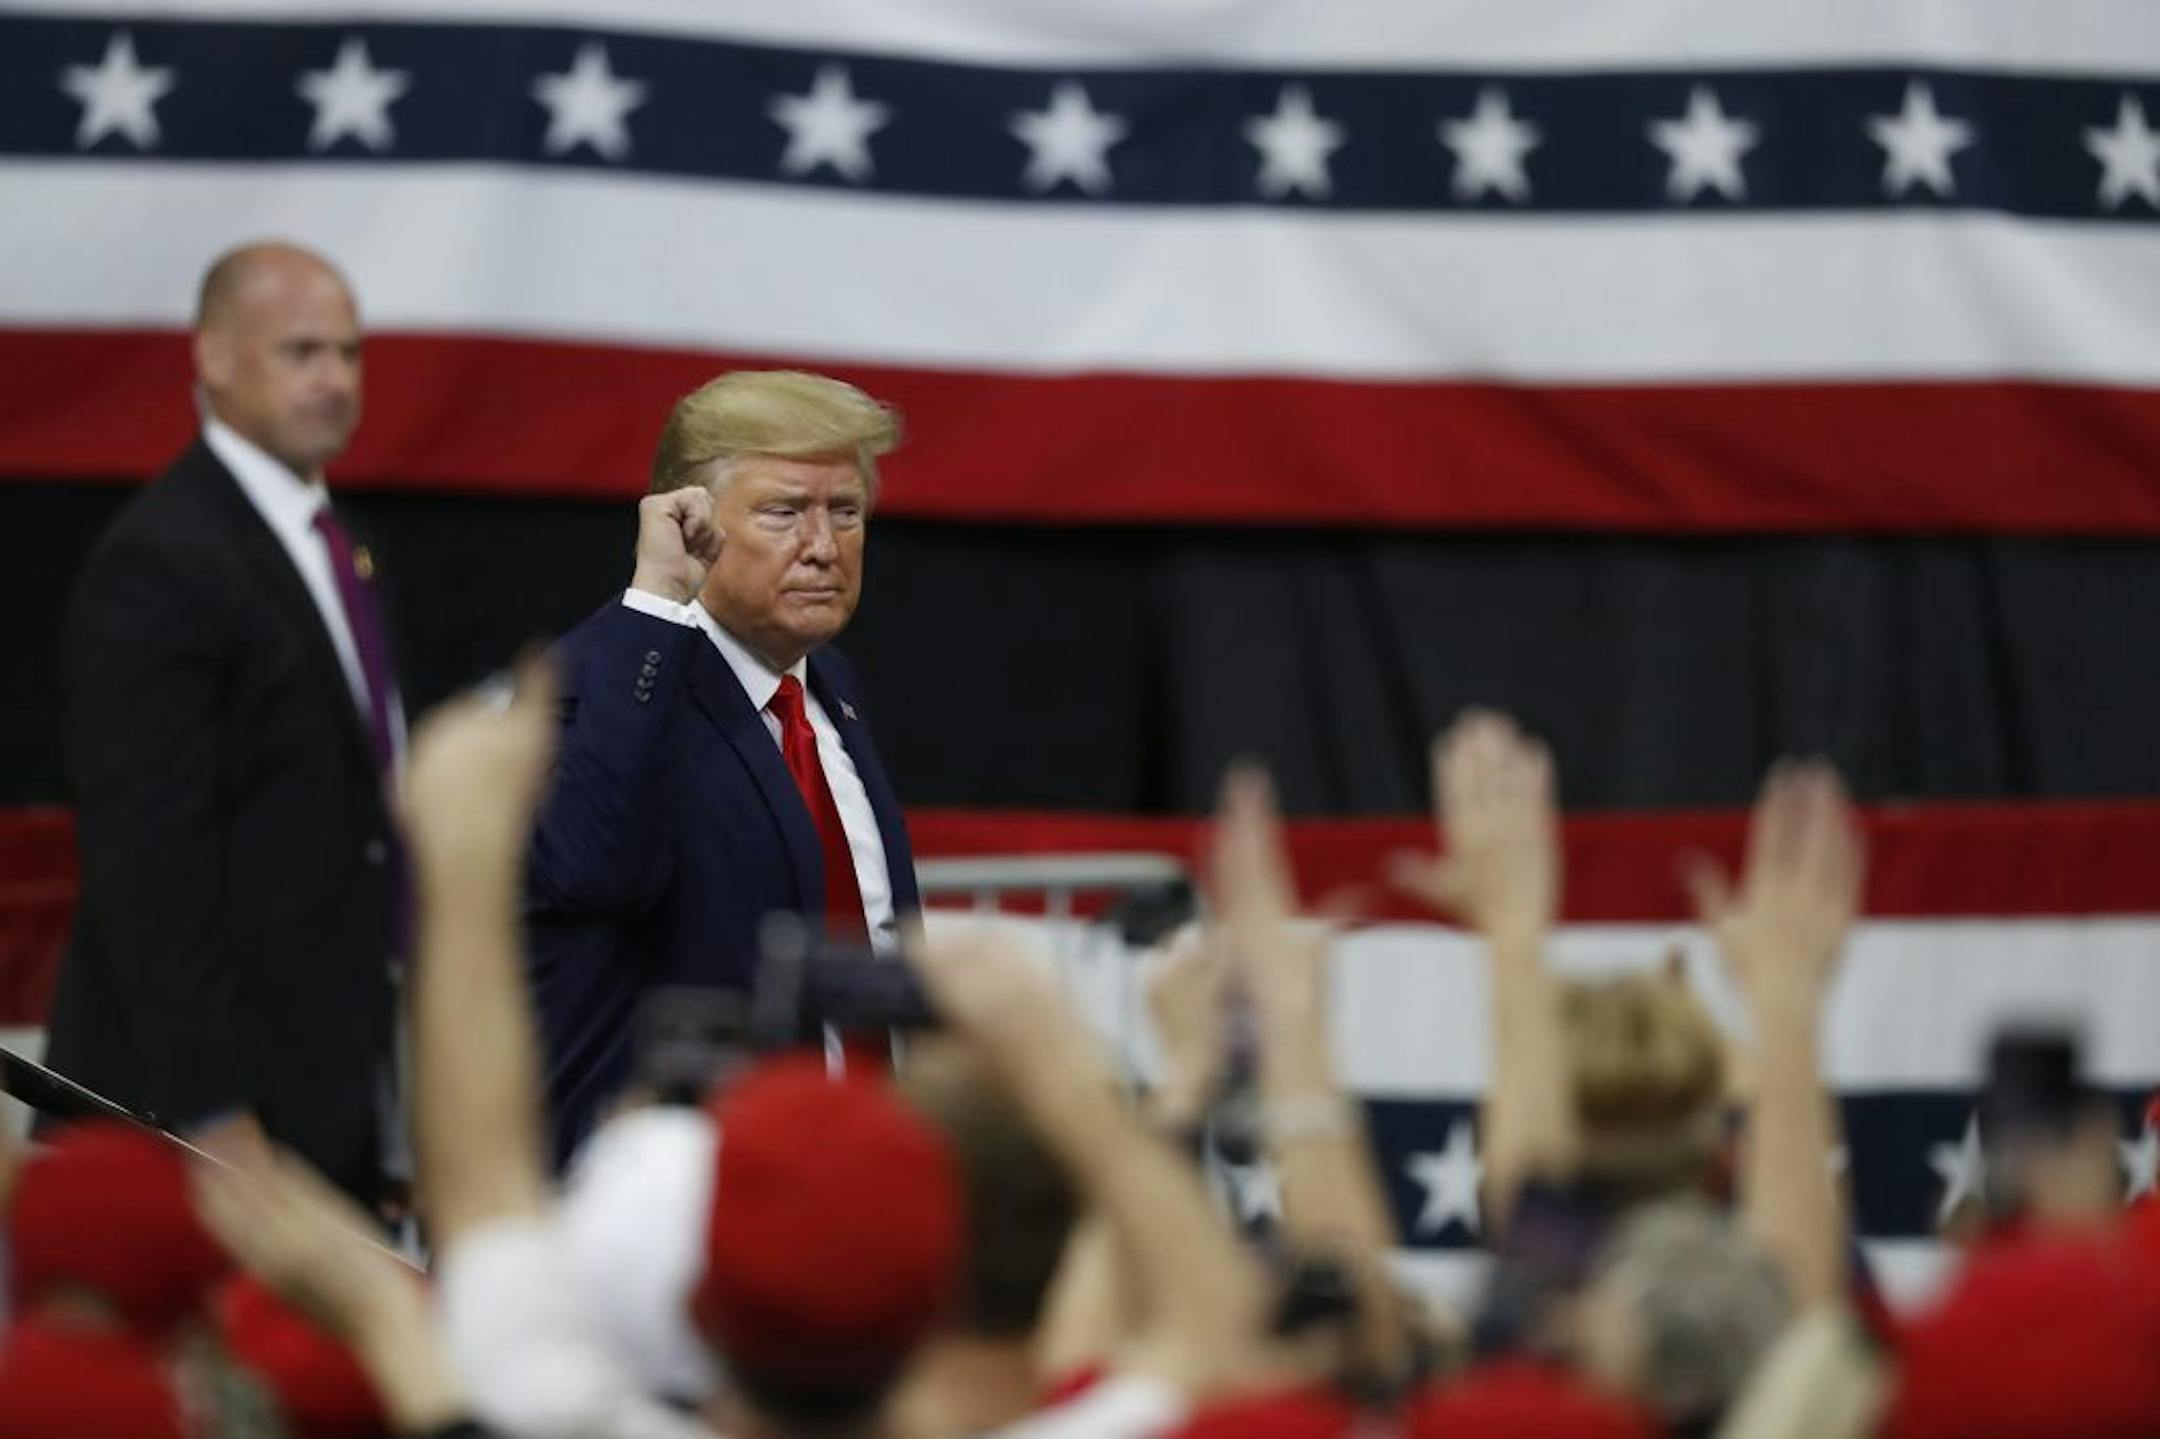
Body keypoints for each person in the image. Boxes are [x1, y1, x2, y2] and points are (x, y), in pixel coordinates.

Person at [44, 240, 407, 1208]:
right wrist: (212, 1114)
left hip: (330, 1106)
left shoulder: (346, 547)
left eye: (349, 352)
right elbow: (145, 866)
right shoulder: (162, 558)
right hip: (196, 1130)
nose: (334, 379)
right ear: (211, 357)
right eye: (301, 352)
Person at [525, 369, 919, 1159]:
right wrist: (660, 595)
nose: (822, 546)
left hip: (850, 1166)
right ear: (689, 518)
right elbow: (594, 874)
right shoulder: (599, 683)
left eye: (845, 512)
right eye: (783, 512)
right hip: (675, 1196)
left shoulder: (830, 685)